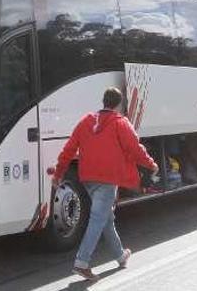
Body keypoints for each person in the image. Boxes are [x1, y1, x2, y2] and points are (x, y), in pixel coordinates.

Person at [52, 87, 158, 282]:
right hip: (107, 179)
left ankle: (120, 255)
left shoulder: (86, 121)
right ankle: (82, 262)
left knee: (106, 217)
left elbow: (68, 150)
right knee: (98, 219)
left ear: (103, 102)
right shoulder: (120, 122)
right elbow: (135, 149)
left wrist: (59, 174)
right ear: (119, 104)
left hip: (88, 179)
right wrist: (151, 164)